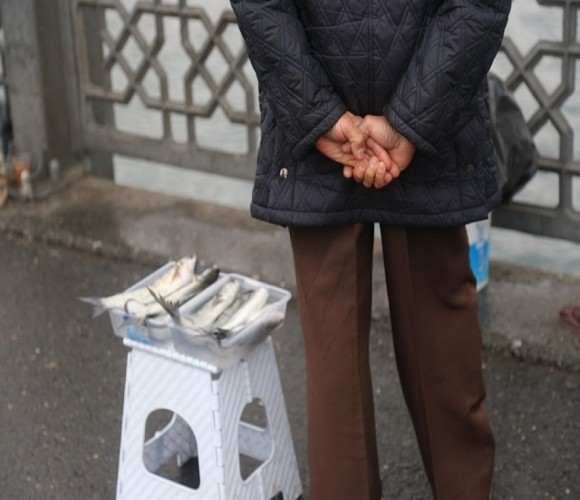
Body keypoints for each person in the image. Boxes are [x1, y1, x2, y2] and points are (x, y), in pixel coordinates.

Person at [229, 1, 511, 499]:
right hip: (433, 107)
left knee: (334, 353)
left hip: (314, 116)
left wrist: (321, 115)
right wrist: (409, 121)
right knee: (441, 341)